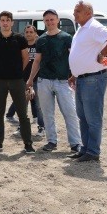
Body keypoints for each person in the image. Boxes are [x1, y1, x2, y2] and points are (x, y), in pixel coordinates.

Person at [68, 1, 107, 162]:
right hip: (83, 79)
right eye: (74, 11)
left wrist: (103, 53)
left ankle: (93, 151)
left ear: (88, 13)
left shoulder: (93, 27)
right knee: (83, 116)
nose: (74, 13)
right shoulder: (82, 29)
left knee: (92, 117)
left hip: (94, 78)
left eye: (78, 11)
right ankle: (86, 149)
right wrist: (75, 74)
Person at [26, 10, 81, 154]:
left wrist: (74, 75)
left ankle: (75, 143)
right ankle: (51, 141)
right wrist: (31, 79)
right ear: (44, 22)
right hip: (44, 81)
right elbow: (37, 60)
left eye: (52, 19)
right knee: (47, 114)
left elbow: (73, 57)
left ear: (57, 20)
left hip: (63, 82)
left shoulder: (66, 37)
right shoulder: (41, 39)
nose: (49, 22)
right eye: (47, 20)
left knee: (70, 113)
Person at [0, 11, 35, 154]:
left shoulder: (20, 39)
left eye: (8, 20)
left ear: (12, 22)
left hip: (17, 81)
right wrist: (0, 70)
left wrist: (18, 72)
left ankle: (28, 144)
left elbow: (26, 58)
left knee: (22, 114)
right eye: (2, 20)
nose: (5, 23)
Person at [6, 25, 45, 138]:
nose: (28, 34)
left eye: (31, 32)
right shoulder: (21, 45)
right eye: (26, 32)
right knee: (22, 105)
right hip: (22, 80)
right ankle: (21, 127)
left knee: (39, 106)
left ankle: (41, 127)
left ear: (35, 33)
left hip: (37, 80)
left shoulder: (39, 45)